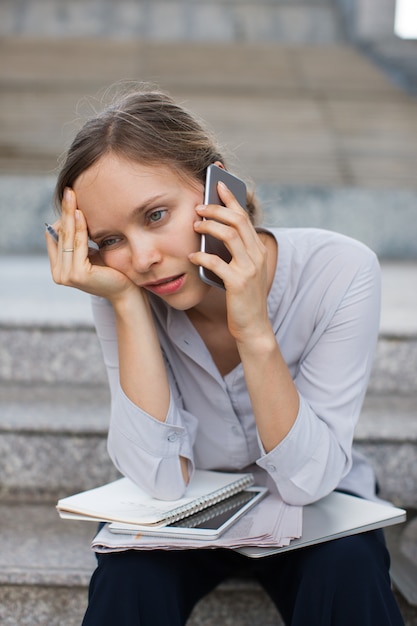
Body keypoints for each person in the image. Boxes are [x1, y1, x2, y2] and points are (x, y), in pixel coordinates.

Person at [46, 85, 404, 626]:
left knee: (346, 567)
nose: (142, 258)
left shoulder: (340, 271)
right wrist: (124, 304)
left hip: (316, 505)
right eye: (111, 238)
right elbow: (160, 479)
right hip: (188, 505)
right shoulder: (123, 285)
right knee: (128, 579)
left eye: (157, 215)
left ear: (218, 189)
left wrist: (254, 328)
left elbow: (306, 482)